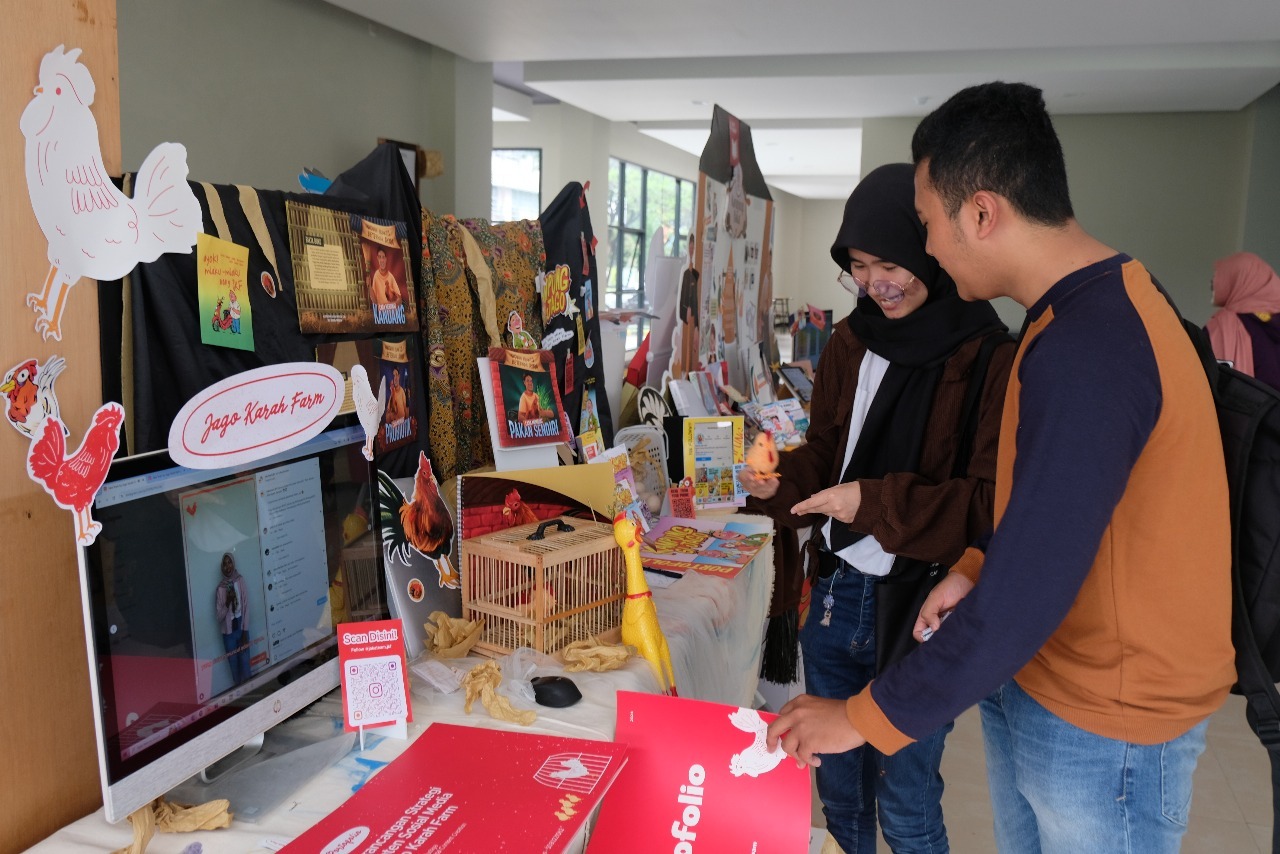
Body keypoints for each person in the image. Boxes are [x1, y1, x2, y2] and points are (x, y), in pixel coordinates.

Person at [767, 82, 1236, 854]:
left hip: (1104, 720)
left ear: (981, 213)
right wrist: (979, 563)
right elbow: (1051, 513)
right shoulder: (1068, 319)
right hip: (1050, 686)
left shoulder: (1091, 347)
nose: (928, 252)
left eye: (925, 227)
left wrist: (857, 718)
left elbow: (1030, 588)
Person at [741, 162, 1014, 854]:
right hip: (835, 599)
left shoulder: (988, 356)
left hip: (921, 609)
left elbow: (984, 505)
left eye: (889, 262)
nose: (873, 283)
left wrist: (873, 502)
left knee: (907, 796)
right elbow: (828, 454)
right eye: (857, 266)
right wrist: (779, 482)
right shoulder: (851, 340)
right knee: (839, 793)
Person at [1205, 251, 1280, 389]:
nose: (1212, 282)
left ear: (1241, 281)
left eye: (1221, 275)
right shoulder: (1273, 321)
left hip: (1246, 407)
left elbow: (1206, 377)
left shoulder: (1224, 324)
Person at [215, 553, 251, 685]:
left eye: (229, 562)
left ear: (233, 563)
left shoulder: (240, 580)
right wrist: (227, 603)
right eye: (224, 564)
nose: (227, 566)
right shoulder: (220, 589)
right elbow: (219, 617)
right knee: (234, 668)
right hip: (228, 634)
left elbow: (246, 606)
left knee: (245, 665)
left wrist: (245, 631)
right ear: (221, 568)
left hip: (241, 627)